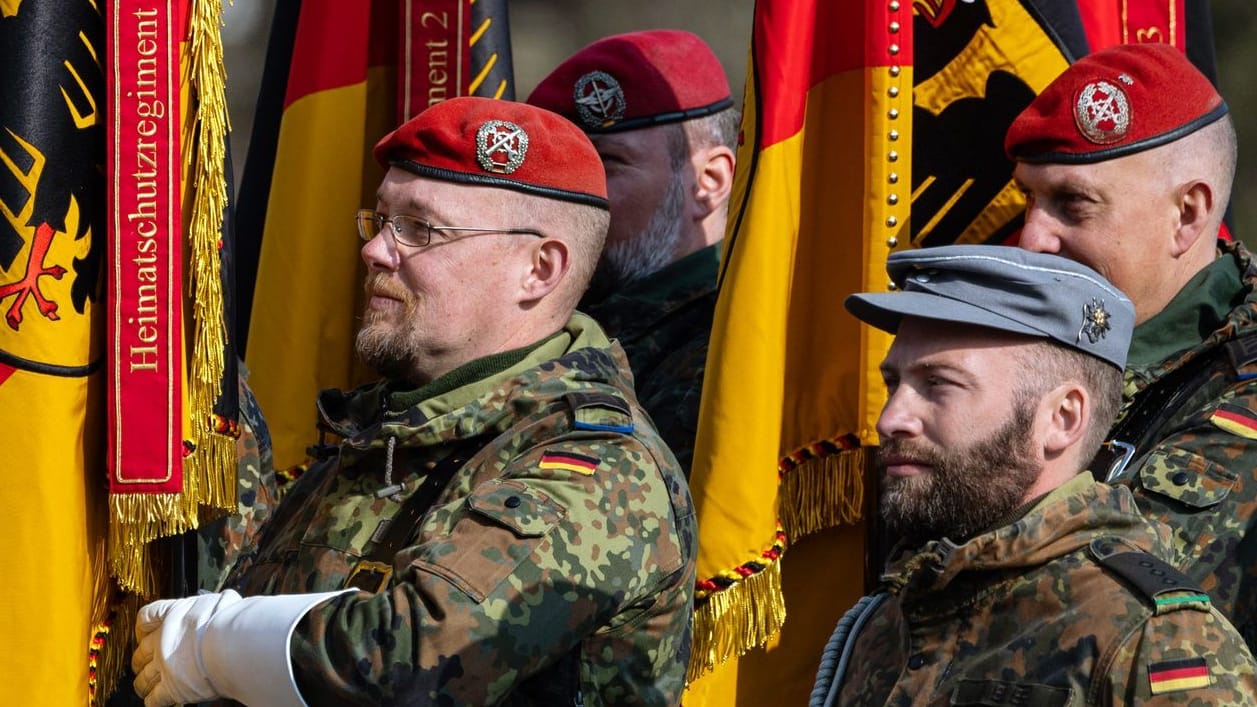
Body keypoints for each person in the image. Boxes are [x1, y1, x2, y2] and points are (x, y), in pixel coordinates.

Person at [129, 96, 696, 707]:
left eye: (421, 229)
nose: (376, 251)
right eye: (379, 221)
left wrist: (214, 647)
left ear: (539, 268)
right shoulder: (391, 433)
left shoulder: (596, 466)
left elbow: (415, 659)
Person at [810, 245, 1257, 705]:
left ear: (1061, 419)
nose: (890, 419)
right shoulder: (889, 621)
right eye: (893, 384)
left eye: (939, 383)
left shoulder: (1150, 642)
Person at [1007, 43, 1257, 648]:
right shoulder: (1003, 364)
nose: (1032, 239)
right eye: (1029, 201)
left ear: (1187, 216)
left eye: (1073, 204)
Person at [527, 30, 738, 473]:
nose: (570, 199)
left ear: (710, 181)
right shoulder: (545, 323)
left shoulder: (731, 350)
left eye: (606, 165)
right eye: (558, 175)